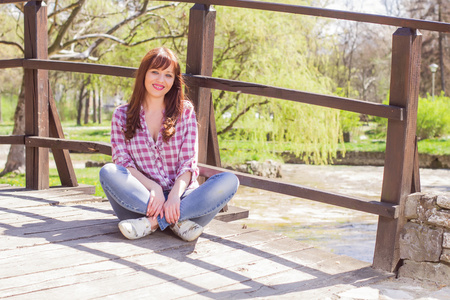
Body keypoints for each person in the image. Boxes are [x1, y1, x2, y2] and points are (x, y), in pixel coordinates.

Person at [99, 47, 239, 242]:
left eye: (168, 75)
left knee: (229, 181)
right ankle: (178, 223)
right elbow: (123, 163)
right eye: (155, 72)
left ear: (174, 80)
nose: (160, 80)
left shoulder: (185, 112)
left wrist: (174, 196)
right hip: (142, 199)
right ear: (144, 74)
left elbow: (188, 163)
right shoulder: (121, 115)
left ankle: (152, 223)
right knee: (108, 172)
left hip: (182, 198)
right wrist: (154, 188)